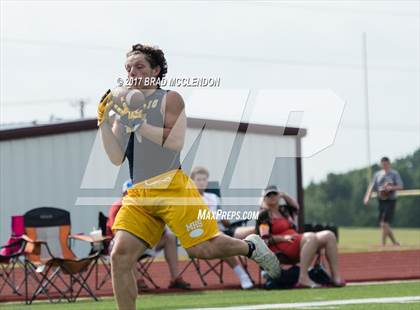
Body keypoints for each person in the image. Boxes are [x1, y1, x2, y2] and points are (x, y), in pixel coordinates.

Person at [97, 43, 281, 309]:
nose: (132, 73)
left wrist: (138, 124)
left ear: (156, 70)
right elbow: (115, 158)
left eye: (139, 66)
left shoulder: (170, 98)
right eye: (128, 68)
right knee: (119, 256)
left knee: (201, 249)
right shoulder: (125, 105)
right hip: (139, 194)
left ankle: (250, 247)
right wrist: (103, 122)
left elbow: (175, 142)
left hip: (172, 186)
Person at [106, 180, 191, 290]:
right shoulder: (118, 207)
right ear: (124, 195)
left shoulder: (149, 205)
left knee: (170, 237)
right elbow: (116, 233)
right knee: (125, 245)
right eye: (129, 193)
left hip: (147, 243)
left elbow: (162, 230)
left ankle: (176, 278)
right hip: (125, 247)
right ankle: (137, 281)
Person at [256, 185, 344, 288]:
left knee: (329, 235)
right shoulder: (264, 215)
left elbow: (296, 207)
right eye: (268, 195)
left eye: (274, 194)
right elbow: (265, 238)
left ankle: (336, 278)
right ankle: (303, 278)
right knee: (310, 237)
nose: (272, 196)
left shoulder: (284, 210)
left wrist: (284, 195)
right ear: (264, 198)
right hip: (280, 246)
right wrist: (283, 238)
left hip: (295, 241)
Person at [190, 166, 254, 289]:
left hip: (221, 230)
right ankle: (243, 275)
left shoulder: (214, 197)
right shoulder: (189, 199)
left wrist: (228, 219)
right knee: (220, 242)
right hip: (203, 234)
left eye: (204, 179)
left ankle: (264, 271)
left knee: (254, 231)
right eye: (198, 179)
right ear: (192, 181)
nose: (202, 182)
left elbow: (224, 219)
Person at [364, 156, 403, 246]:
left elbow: (400, 186)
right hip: (381, 200)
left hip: (391, 200)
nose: (384, 165)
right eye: (383, 164)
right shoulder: (377, 174)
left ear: (389, 164)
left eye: (386, 164)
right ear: (381, 164)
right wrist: (367, 197)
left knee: (385, 222)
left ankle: (383, 244)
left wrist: (390, 188)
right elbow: (372, 186)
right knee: (383, 224)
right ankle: (395, 243)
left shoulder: (394, 174)